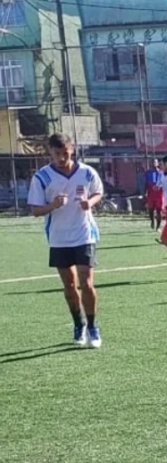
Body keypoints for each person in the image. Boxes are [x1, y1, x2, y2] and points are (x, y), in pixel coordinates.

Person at [28, 133, 105, 348]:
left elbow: (98, 192)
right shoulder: (42, 177)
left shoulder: (87, 172)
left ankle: (92, 326)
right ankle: (78, 324)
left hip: (84, 234)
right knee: (70, 286)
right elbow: (35, 210)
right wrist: (53, 205)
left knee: (86, 282)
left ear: (72, 150)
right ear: (50, 152)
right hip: (59, 238)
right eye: (57, 154)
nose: (62, 158)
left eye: (66, 153)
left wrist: (90, 202)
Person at [144, 158, 165, 231]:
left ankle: (158, 226)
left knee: (159, 209)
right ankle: (152, 221)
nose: (154, 164)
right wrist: (145, 192)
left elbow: (164, 182)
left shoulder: (161, 173)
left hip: (159, 193)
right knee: (151, 209)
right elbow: (146, 183)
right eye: (152, 162)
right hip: (151, 192)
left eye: (155, 162)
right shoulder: (147, 173)